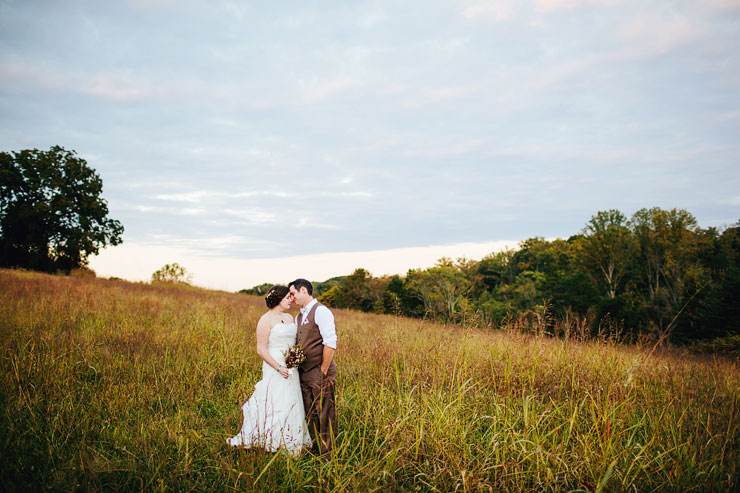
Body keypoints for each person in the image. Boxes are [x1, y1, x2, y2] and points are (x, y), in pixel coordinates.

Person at [226, 285, 311, 456]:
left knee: (291, 400)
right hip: (275, 366)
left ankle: (291, 439)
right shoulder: (265, 320)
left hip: (291, 366)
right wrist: (279, 367)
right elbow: (261, 349)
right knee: (275, 401)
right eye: (288, 297)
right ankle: (272, 439)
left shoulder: (289, 317)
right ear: (278, 298)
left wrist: (295, 358)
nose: (291, 300)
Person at [288, 278, 337, 458]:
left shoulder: (321, 311)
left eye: (293, 293)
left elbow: (330, 342)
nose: (292, 298)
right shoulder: (299, 316)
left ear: (303, 290)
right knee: (310, 414)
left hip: (319, 371)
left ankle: (328, 456)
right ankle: (316, 449)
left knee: (325, 414)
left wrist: (323, 370)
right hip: (304, 374)